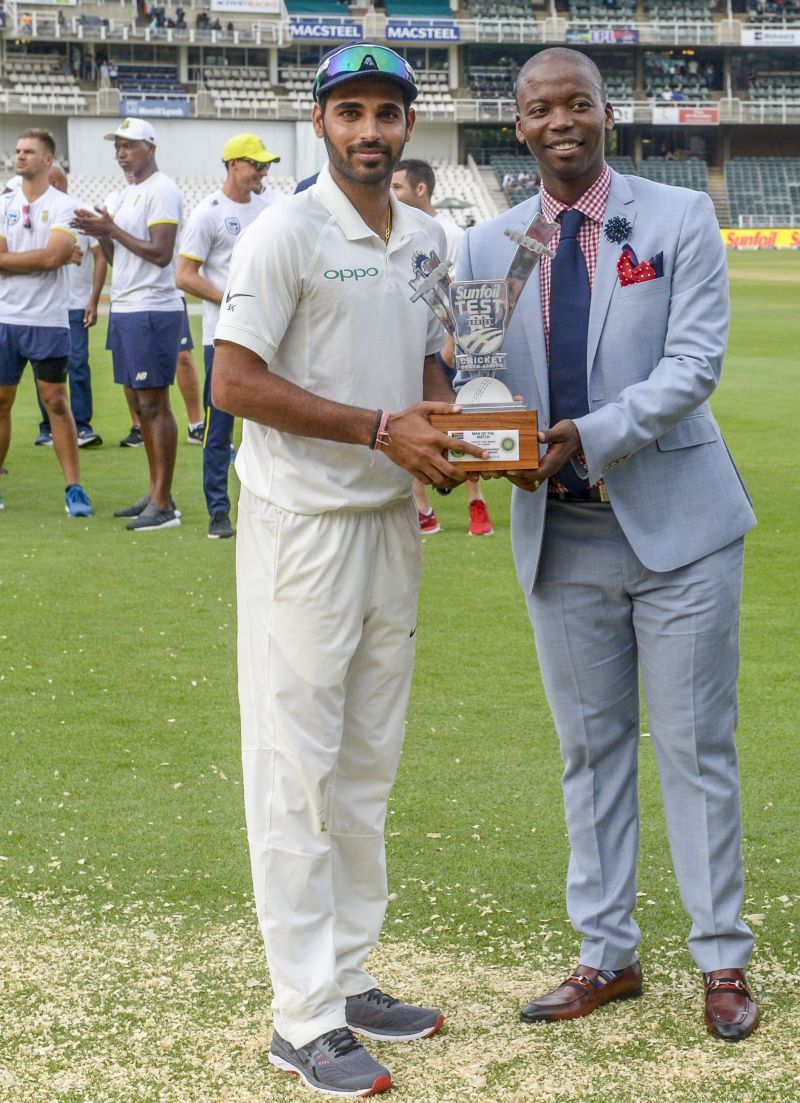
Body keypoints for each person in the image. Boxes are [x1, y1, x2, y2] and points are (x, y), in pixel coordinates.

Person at [459, 47, 759, 1041]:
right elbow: (472, 372)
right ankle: (605, 954)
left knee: (691, 746)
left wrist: (583, 435)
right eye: (540, 108)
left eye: (576, 105)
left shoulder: (676, 217)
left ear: (604, 113)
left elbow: (691, 368)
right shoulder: (483, 246)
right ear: (518, 125)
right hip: (563, 538)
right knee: (587, 753)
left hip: (678, 531)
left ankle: (719, 958)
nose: (560, 122)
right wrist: (480, 432)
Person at [212, 43, 486, 1097]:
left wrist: (443, 421)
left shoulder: (426, 234)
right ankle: (301, 1016)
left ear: (408, 126)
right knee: (297, 772)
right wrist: (380, 427)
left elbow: (427, 354)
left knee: (367, 763)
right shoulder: (284, 230)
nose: (368, 130)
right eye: (349, 111)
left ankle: (349, 974)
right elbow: (233, 381)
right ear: (320, 122)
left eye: (385, 113)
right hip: (302, 526)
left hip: (386, 521)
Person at [72, 118, 184, 531]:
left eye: (129, 145)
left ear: (150, 148)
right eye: (117, 146)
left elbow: (160, 253)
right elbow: (122, 260)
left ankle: (164, 503)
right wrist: (100, 233)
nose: (121, 152)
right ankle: (158, 493)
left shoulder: (163, 191)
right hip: (128, 307)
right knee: (139, 406)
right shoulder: (123, 194)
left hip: (153, 308)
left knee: (155, 404)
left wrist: (111, 228)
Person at [177, 132, 281, 539]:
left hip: (270, 336)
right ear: (233, 164)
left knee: (276, 423)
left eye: (266, 164)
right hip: (222, 339)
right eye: (256, 164)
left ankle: (273, 508)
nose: (263, 171)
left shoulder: (271, 209)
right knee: (218, 429)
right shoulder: (208, 213)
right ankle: (218, 512)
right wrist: (236, 301)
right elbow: (184, 275)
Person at [390, 158, 493, 537]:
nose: (392, 193)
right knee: (416, 422)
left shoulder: (447, 232)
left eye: (398, 186)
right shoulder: (395, 231)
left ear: (421, 189)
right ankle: (422, 508)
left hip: (450, 350)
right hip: (416, 347)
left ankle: (475, 501)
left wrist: (451, 346)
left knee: (458, 424)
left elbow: (458, 296)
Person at [0, 129, 92, 517]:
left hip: (48, 321)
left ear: (48, 160)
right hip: (5, 317)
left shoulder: (66, 205)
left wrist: (26, 260)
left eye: (29, 152)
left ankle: (74, 488)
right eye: (18, 151)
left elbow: (54, 258)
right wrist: (46, 257)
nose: (20, 157)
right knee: (1, 401)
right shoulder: (3, 202)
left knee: (56, 402)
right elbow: (50, 256)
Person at [34, 163, 105, 449]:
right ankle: (48, 427)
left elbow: (100, 257)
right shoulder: (37, 215)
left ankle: (83, 426)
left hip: (76, 303)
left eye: (58, 183)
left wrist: (93, 299)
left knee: (77, 364)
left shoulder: (81, 212)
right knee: (45, 369)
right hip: (46, 304)